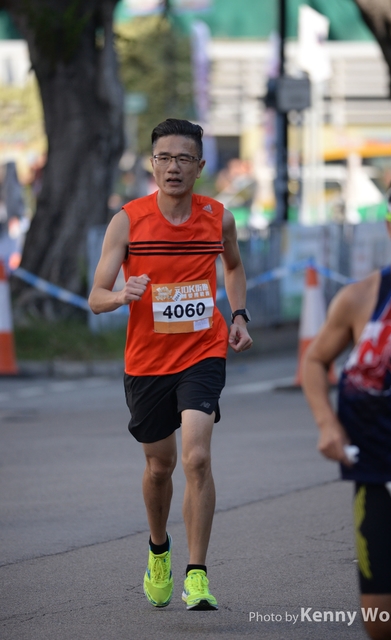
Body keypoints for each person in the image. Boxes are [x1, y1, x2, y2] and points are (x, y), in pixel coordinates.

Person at [88, 119, 252, 611]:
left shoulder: (219, 218)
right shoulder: (128, 221)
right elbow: (95, 297)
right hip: (146, 361)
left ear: (200, 166)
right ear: (152, 164)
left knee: (196, 457)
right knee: (159, 466)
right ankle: (158, 548)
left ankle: (196, 575)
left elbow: (234, 266)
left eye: (183, 158)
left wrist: (238, 315)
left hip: (203, 351)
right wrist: (122, 294)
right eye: (164, 157)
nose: (173, 167)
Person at [302, 167, 391, 640]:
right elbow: (315, 362)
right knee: (384, 624)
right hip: (381, 471)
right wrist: (327, 424)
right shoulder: (360, 299)